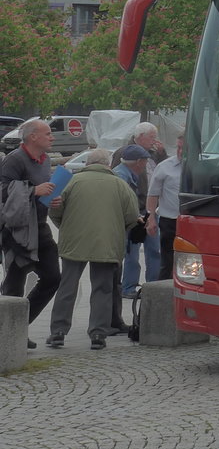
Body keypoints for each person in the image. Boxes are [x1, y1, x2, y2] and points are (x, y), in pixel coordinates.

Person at [45, 149, 138, 350]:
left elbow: (54, 209)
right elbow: (132, 215)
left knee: (67, 287)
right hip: (106, 243)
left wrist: (66, 227)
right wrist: (118, 231)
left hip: (74, 241)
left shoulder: (70, 182)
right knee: (102, 288)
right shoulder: (120, 184)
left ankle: (58, 332)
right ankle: (98, 333)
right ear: (108, 165)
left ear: (87, 164)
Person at [0, 118, 61, 349]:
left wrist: (51, 198)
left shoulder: (46, 160)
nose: (52, 137)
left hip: (40, 226)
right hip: (17, 229)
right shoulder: (14, 159)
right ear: (33, 137)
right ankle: (8, 335)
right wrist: (34, 190)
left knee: (53, 278)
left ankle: (19, 326)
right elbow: (3, 191)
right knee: (14, 284)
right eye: (48, 134)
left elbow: (43, 191)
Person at [113, 144, 160, 298]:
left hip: (141, 215)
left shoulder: (127, 174)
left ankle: (151, 287)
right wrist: (136, 217)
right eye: (145, 162)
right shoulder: (121, 176)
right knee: (131, 254)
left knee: (151, 251)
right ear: (139, 162)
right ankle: (129, 288)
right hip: (131, 221)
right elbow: (122, 203)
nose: (146, 166)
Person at [146, 135, 183, 281]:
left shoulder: (203, 166)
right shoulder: (164, 167)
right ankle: (164, 289)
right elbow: (153, 195)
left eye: (184, 148)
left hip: (194, 221)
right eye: (178, 147)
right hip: (169, 221)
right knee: (167, 261)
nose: (180, 151)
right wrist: (151, 218)